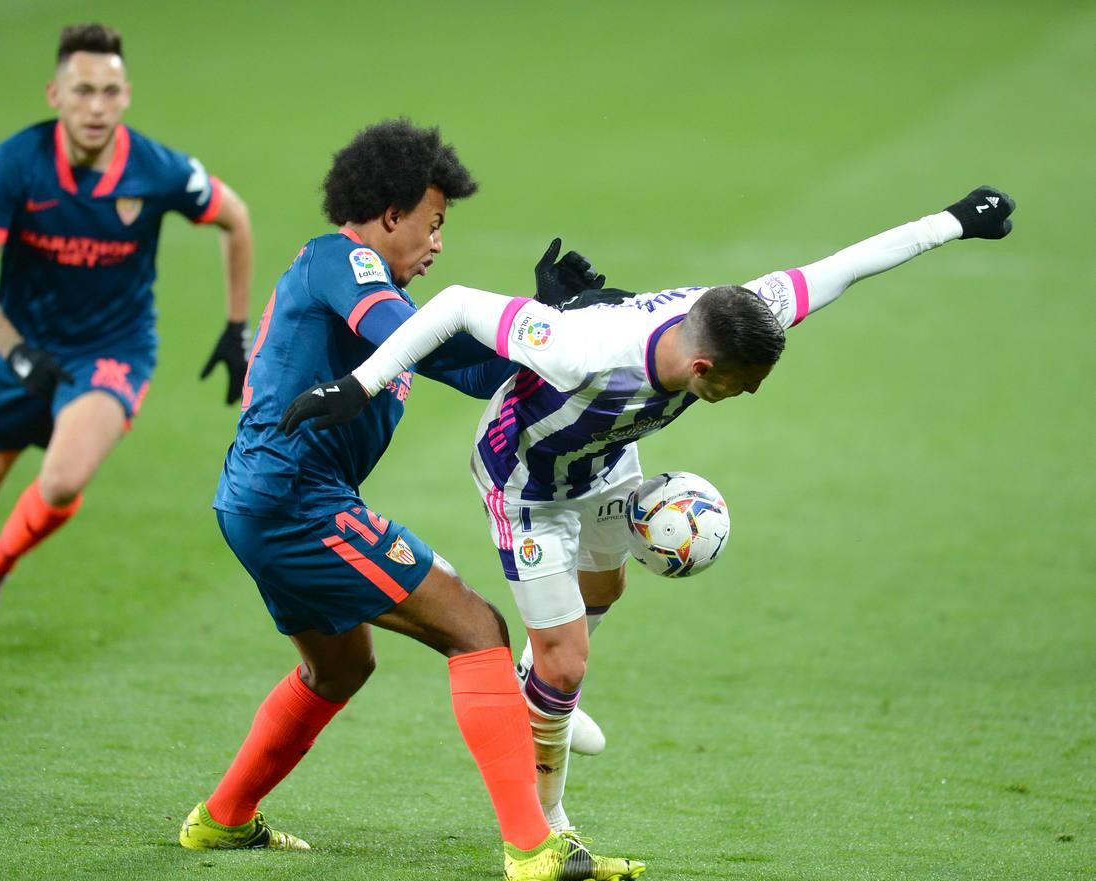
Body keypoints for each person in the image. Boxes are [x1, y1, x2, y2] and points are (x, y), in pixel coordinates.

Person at [279, 185, 1017, 831]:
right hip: (526, 482)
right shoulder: (583, 349)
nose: (747, 395)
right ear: (701, 367)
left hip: (605, 462)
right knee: (569, 665)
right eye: (739, 385)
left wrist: (954, 220)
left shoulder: (738, 315)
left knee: (605, 588)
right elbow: (460, 306)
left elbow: (843, 268)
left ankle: (538, 685)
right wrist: (363, 385)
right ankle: (548, 809)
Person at [178, 119, 644, 881]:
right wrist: (532, 324)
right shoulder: (345, 261)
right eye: (433, 224)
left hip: (263, 499)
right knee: (478, 629)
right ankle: (534, 847)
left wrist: (557, 329)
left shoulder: (373, 290)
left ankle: (222, 821)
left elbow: (467, 366)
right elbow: (412, 334)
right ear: (390, 215)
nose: (436, 244)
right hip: (296, 501)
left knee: (340, 669)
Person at [0, 23, 254, 652]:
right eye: (82, 91)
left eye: (109, 92)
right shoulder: (15, 164)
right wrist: (15, 353)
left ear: (126, 96)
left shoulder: (157, 169)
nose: (96, 107)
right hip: (22, 348)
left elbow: (236, 218)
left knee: (64, 479)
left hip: (112, 353)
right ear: (55, 94)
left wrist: (237, 329)